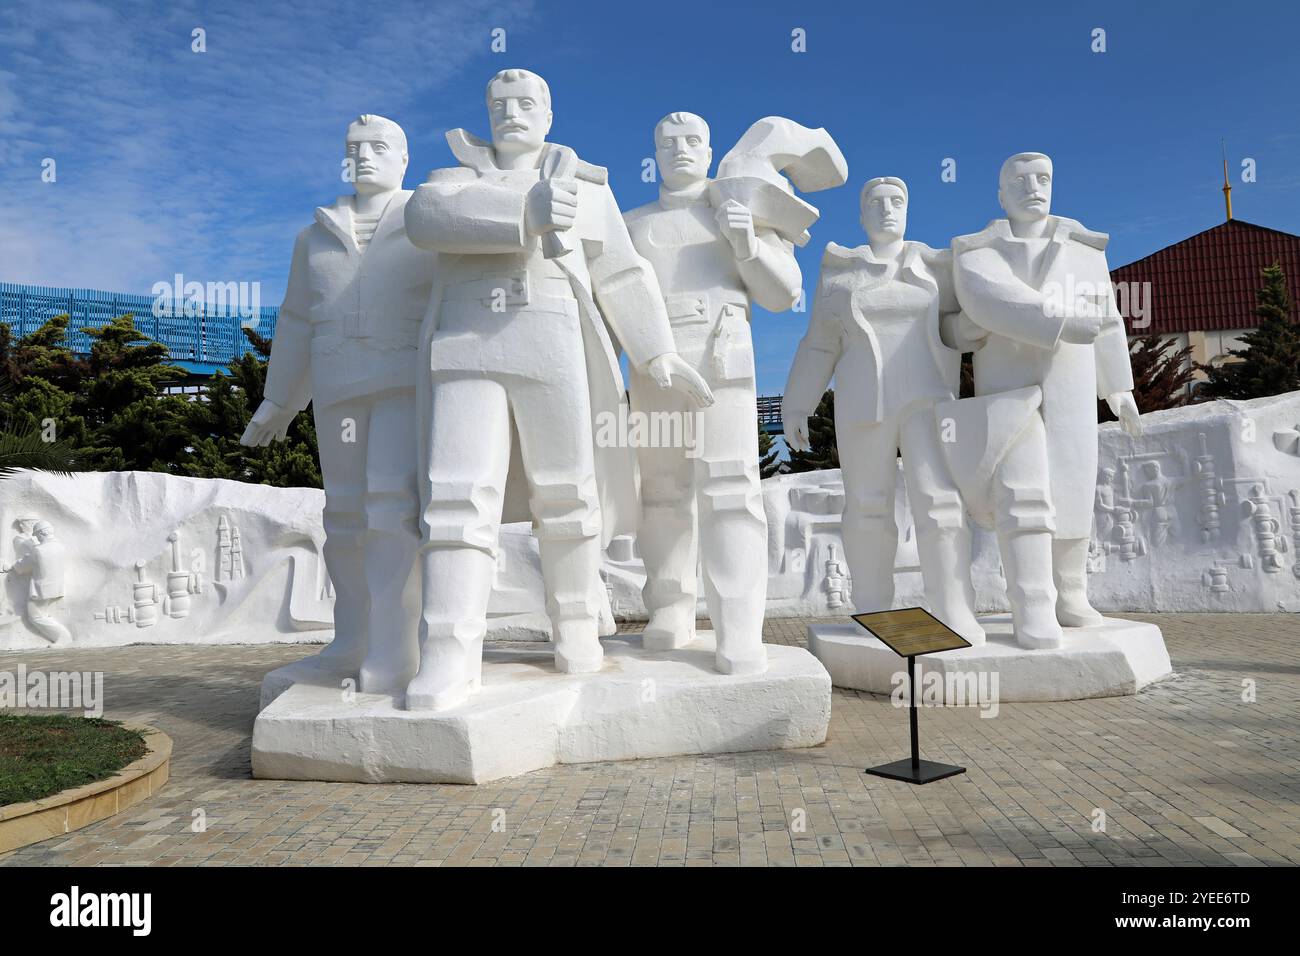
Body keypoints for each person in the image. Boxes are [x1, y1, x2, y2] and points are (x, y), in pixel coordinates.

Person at [402, 69, 712, 710]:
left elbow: (623, 273)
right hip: (467, 341)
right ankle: (448, 652)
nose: (511, 113)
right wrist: (525, 211)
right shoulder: (453, 181)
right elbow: (425, 219)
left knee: (568, 491)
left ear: (549, 112)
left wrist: (657, 351)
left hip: (552, 337)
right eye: (499, 104)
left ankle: (575, 627)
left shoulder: (589, 188)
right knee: (458, 496)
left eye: (526, 103)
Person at [241, 114, 434, 693]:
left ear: (405, 160)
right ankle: (352, 638)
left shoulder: (427, 222)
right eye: (354, 148)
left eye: (379, 147)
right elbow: (297, 321)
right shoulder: (314, 237)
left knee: (392, 509)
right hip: (339, 388)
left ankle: (399, 647)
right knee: (345, 516)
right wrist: (279, 400)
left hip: (405, 382)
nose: (365, 157)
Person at [622, 111, 803, 674]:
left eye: (693, 140)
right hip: (653, 366)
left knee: (730, 490)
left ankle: (739, 625)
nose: (680, 149)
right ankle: (671, 608)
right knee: (662, 492)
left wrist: (747, 243)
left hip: (723, 361)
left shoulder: (739, 209)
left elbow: (783, 294)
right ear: (653, 150)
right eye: (668, 141)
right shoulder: (631, 224)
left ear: (710, 148)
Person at [785, 177, 983, 643]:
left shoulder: (937, 268)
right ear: (861, 215)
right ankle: (874, 610)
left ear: (909, 210)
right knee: (868, 505)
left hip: (927, 400)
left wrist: (978, 329)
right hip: (862, 403)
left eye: (897, 201)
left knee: (941, 504)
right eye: (875, 203)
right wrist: (798, 402)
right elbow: (819, 343)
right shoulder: (840, 273)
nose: (887, 210)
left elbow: (955, 329)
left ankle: (954, 608)